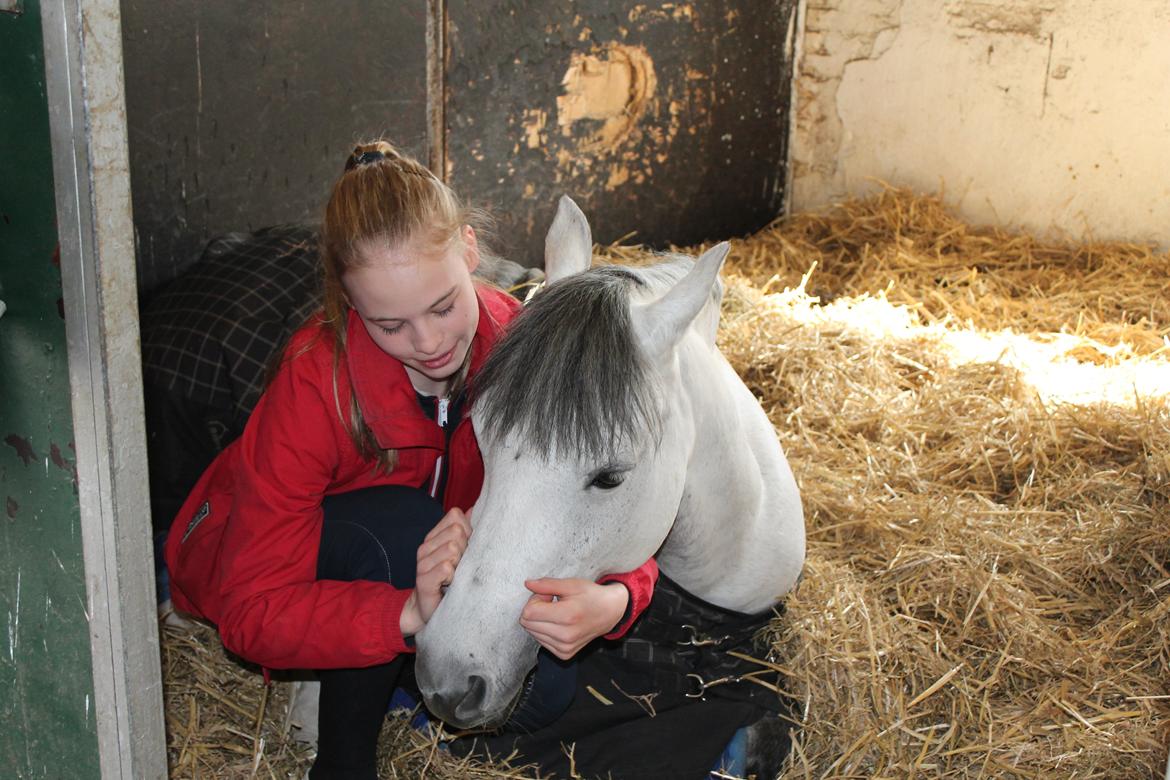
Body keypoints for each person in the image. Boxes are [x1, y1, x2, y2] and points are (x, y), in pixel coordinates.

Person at [163, 141, 658, 780]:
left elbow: (611, 488)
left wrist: (616, 599)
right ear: (347, 302)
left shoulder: (523, 349)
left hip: (438, 578)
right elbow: (251, 614)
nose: (427, 344)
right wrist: (410, 615)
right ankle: (342, 758)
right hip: (277, 567)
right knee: (404, 529)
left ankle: (378, 671)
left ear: (472, 252)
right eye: (388, 325)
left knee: (548, 694)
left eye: (444, 305)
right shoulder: (315, 383)